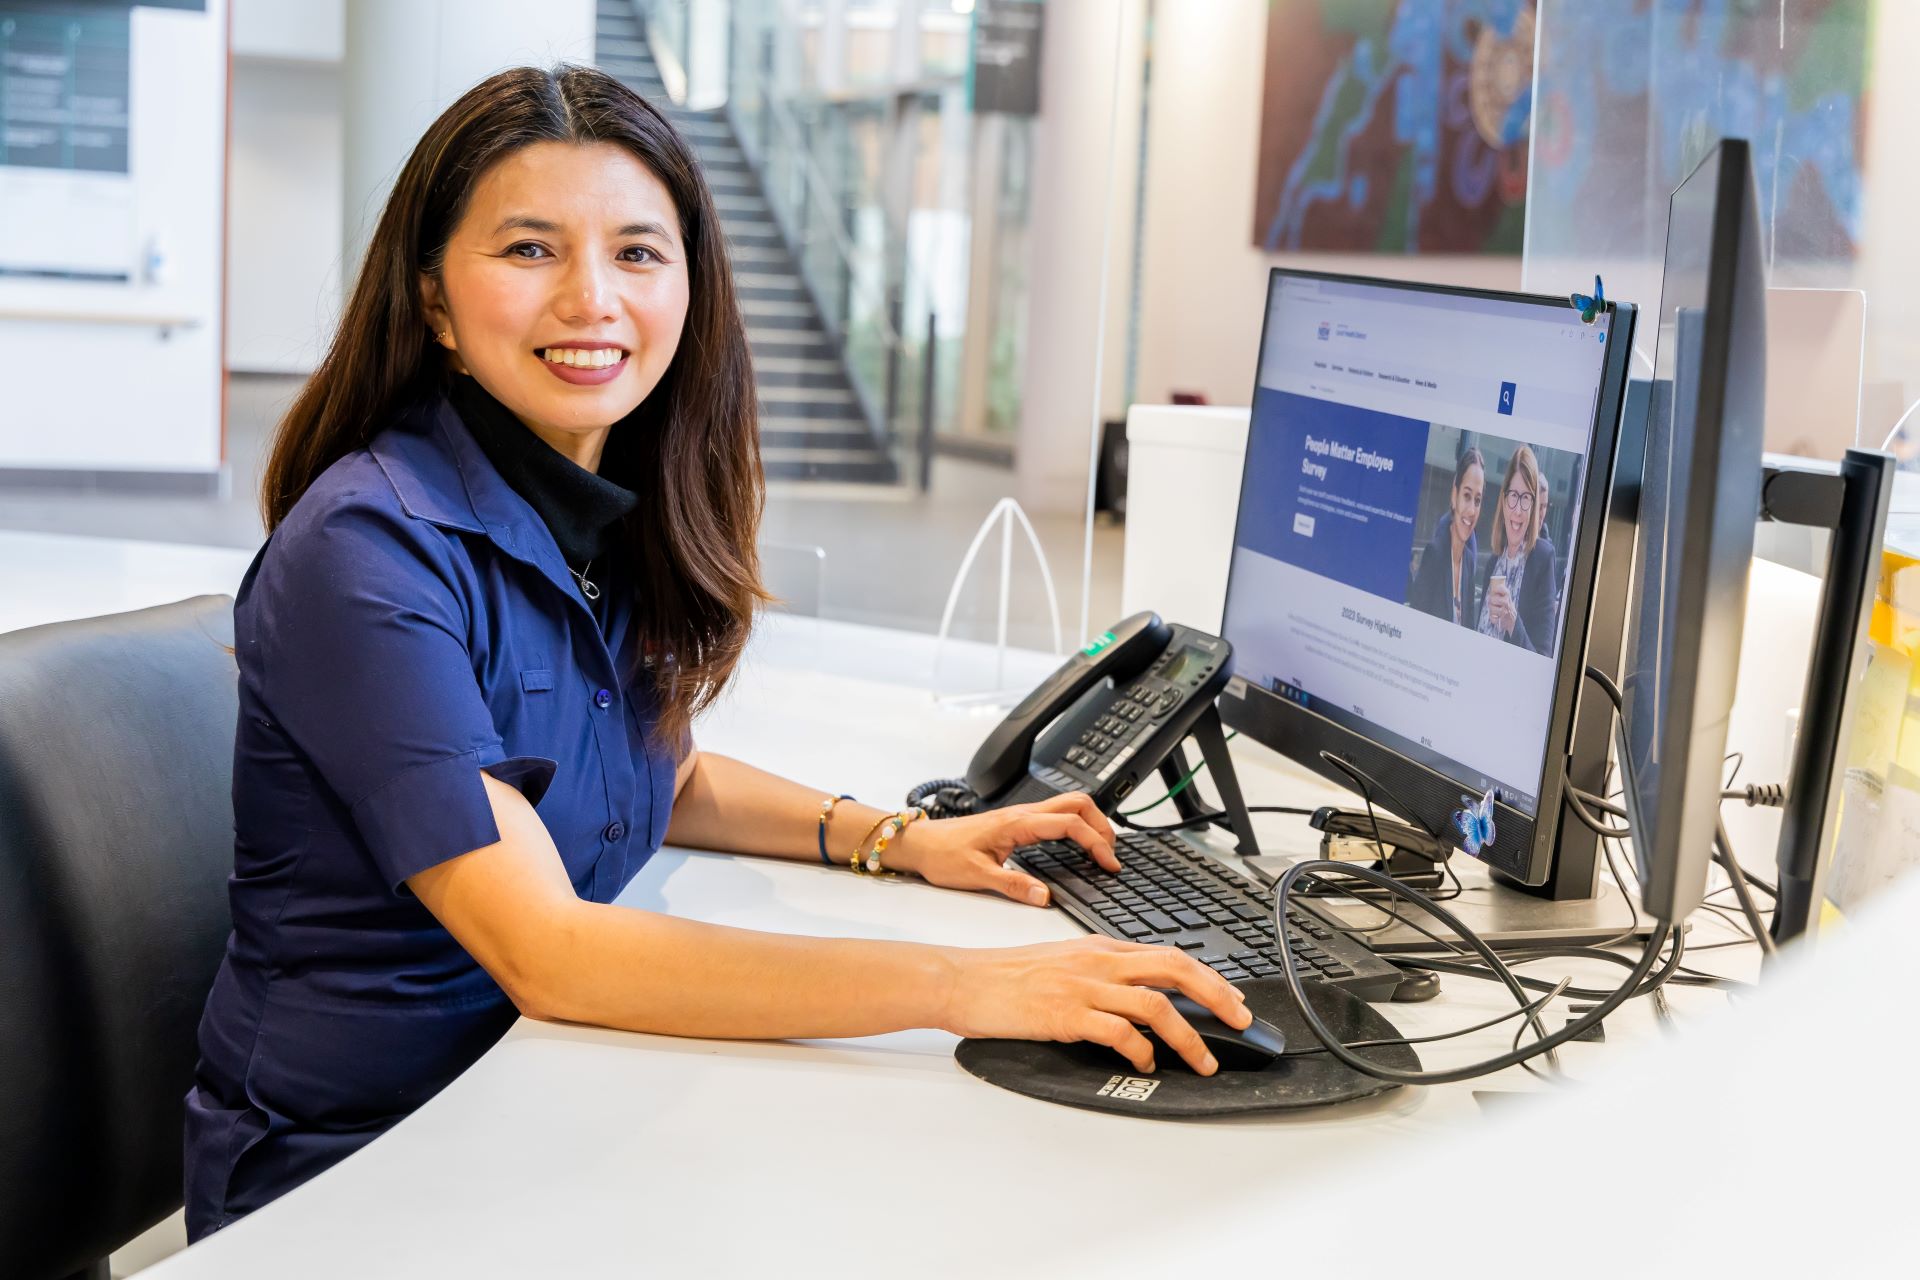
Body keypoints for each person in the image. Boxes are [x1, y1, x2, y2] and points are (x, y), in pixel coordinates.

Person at [182, 65, 1247, 1240]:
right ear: (433, 300)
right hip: (360, 1175)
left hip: (544, 1102)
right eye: (530, 250)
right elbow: (553, 951)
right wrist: (965, 983)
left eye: (638, 252)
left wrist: (901, 838)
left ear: (690, 286)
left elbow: (663, 773)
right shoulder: (369, 550)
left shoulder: (593, 506)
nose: (592, 298)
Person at [1476, 444, 1558, 654]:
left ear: (1534, 507)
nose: (1518, 511)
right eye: (1513, 496)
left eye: (1526, 498)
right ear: (1503, 501)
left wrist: (1512, 621)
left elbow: (1542, 655)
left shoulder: (1543, 558)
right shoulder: (1494, 561)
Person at [1405, 446, 1484, 626]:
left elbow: (1469, 627)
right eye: (1466, 495)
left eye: (1477, 500)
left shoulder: (1469, 562)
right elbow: (1415, 623)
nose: (1472, 510)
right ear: (1454, 496)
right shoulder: (1435, 554)